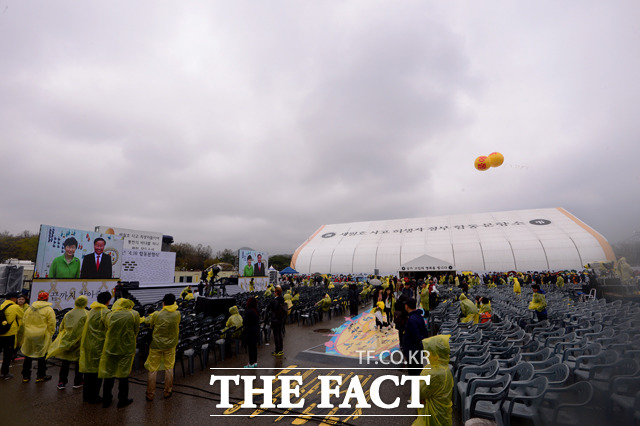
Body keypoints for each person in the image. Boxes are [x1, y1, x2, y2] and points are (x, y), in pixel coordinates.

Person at [99, 297, 140, 408]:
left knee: (108, 374)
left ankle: (106, 399)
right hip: (126, 348)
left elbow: (107, 328)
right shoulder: (134, 314)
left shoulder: (109, 315)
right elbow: (136, 330)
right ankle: (122, 399)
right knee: (124, 375)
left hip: (111, 347)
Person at [47, 295, 89, 390]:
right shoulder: (87, 314)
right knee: (79, 362)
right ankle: (78, 381)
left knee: (65, 362)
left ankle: (62, 382)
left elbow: (61, 327)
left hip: (67, 340)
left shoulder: (69, 313)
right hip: (80, 341)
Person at [144, 293, 180, 401]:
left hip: (156, 345)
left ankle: (150, 394)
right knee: (169, 368)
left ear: (163, 302)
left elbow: (149, 323)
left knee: (153, 369)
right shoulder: (177, 314)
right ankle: (167, 391)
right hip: (170, 345)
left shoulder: (157, 315)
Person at [412, 335, 453, 426]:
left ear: (437, 354)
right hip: (442, 413)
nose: (427, 354)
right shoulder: (444, 368)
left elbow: (418, 393)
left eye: (430, 352)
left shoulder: (435, 374)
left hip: (433, 415)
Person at [79, 291, 111, 404]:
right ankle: (94, 396)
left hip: (88, 344)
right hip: (99, 346)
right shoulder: (106, 312)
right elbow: (109, 329)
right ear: (108, 301)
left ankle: (86, 396)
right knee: (97, 372)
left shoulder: (91, 310)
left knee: (88, 371)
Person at [21, 291, 56, 383]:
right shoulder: (49, 310)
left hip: (29, 334)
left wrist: (28, 330)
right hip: (42, 335)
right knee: (42, 355)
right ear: (47, 298)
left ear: (37, 298)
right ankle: (40, 376)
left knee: (28, 355)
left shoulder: (29, 309)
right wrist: (51, 333)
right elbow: (52, 324)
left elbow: (24, 321)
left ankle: (25, 376)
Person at [0, 291, 23, 380]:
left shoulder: (1, 305)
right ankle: (4, 373)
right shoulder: (15, 307)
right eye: (16, 298)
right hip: (9, 333)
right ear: (13, 298)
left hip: (0, 332)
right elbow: (22, 315)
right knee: (7, 354)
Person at [403, 299, 429, 376]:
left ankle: (417, 387)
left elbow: (416, 336)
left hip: (413, 351)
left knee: (414, 373)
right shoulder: (419, 317)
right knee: (418, 370)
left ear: (407, 306)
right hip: (418, 351)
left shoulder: (412, 319)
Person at [268, 286, 286, 357]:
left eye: (274, 292)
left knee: (276, 335)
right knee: (280, 334)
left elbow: (268, 307)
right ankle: (281, 350)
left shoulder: (274, 301)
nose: (273, 293)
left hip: (275, 319)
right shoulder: (282, 299)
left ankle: (277, 350)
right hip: (280, 318)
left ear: (276, 292)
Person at [243, 297, 260, 368]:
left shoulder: (249, 311)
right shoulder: (256, 310)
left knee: (250, 348)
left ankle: (251, 363)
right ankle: (255, 362)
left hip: (250, 331)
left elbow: (244, 322)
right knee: (254, 347)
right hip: (256, 330)